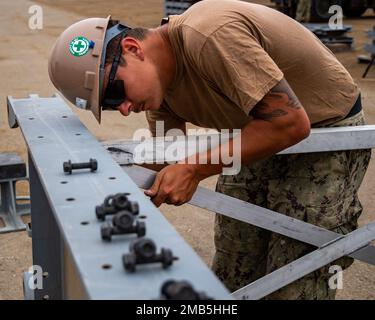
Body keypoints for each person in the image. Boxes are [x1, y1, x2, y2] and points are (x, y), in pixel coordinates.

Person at [48, 0, 371, 299]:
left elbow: (290, 124)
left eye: (116, 91)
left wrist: (195, 168)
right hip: (256, 127)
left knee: (297, 267)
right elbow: (165, 158)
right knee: (236, 261)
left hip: (326, 130)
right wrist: (95, 201)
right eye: (109, 103)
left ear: (133, 48)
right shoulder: (160, 94)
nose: (123, 108)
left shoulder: (208, 35)